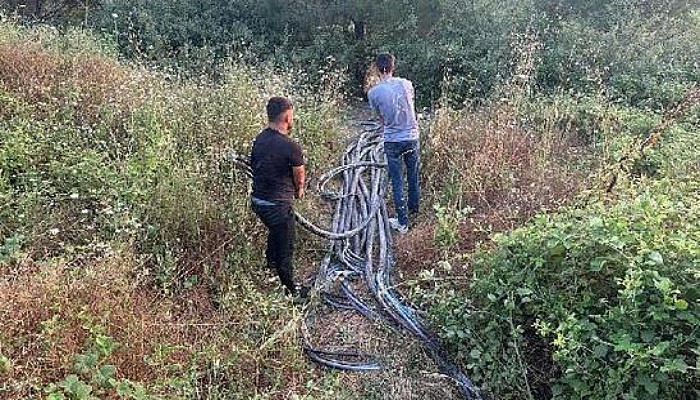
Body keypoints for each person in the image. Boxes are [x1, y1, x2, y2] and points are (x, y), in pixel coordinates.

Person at [250, 97, 307, 298]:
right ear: (286, 116)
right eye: (292, 114)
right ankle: (291, 291)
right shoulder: (291, 146)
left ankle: (269, 265)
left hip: (257, 202)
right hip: (277, 205)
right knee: (286, 247)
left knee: (275, 230)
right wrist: (299, 191)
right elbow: (299, 176)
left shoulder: (259, 139)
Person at [367, 52, 421, 234]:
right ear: (393, 67)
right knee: (413, 175)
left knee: (397, 180)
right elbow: (411, 105)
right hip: (412, 136)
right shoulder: (406, 84)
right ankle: (415, 210)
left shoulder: (373, 93)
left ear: (376, 69)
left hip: (392, 140)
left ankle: (402, 222)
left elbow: (380, 119)